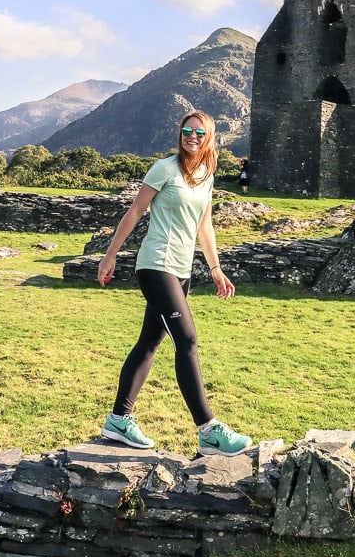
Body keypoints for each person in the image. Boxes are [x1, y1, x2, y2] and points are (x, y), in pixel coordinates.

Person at [97, 110, 252, 456]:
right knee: (188, 340)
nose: (192, 136)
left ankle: (118, 419)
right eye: (186, 130)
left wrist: (215, 268)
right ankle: (208, 428)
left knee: (149, 343)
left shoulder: (205, 174)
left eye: (199, 132)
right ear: (179, 134)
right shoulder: (164, 169)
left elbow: (205, 225)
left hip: (181, 271)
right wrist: (110, 255)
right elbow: (135, 211)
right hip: (155, 265)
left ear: (209, 137)